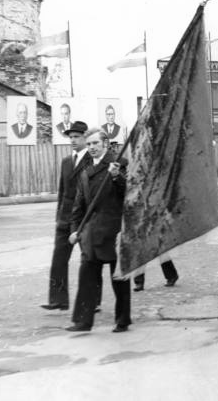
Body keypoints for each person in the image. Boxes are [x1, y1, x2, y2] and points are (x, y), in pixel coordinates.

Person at [66, 129, 131, 333]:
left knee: (119, 279)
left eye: (95, 143)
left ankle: (123, 320)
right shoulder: (85, 170)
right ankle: (82, 322)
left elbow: (131, 194)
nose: (92, 147)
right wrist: (75, 229)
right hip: (90, 234)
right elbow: (79, 205)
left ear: (105, 143)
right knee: (86, 278)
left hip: (114, 231)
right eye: (89, 144)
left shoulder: (120, 164)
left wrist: (116, 177)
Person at [41, 121, 91, 311]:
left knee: (89, 261)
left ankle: (93, 301)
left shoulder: (91, 160)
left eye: (77, 137)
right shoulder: (66, 161)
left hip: (84, 219)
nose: (73, 140)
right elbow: (62, 191)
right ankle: (58, 299)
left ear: (86, 138)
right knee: (59, 259)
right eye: (71, 137)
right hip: (65, 218)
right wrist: (58, 216)